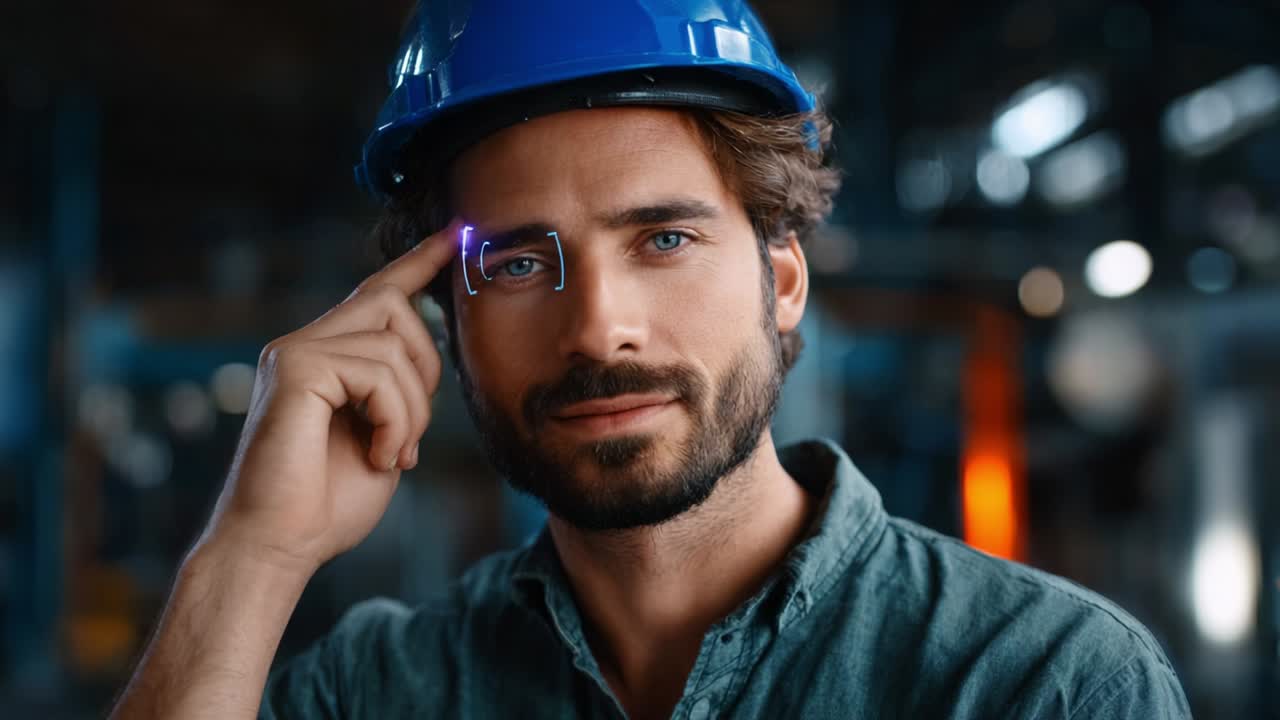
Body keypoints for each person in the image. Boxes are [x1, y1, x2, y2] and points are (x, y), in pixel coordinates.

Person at [110, 1, 1191, 718]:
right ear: (443, 313)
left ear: (779, 281)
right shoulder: (381, 689)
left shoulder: (1039, 683)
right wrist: (249, 557)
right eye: (522, 262)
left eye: (662, 240)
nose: (596, 330)